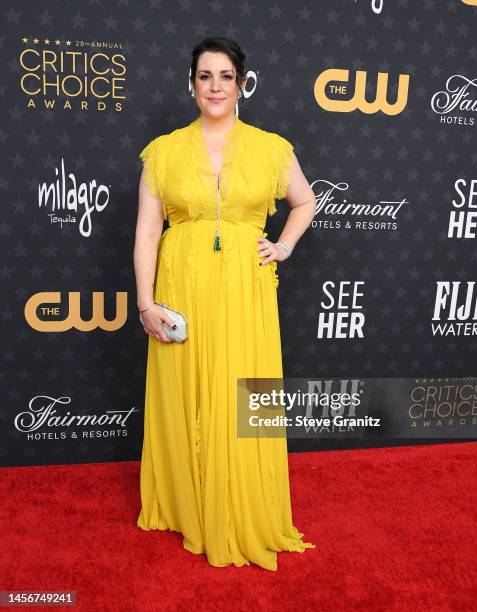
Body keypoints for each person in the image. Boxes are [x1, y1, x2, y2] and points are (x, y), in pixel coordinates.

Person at [133, 37, 316, 571]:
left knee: (243, 395)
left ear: (242, 83)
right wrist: (145, 303)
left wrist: (282, 245)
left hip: (246, 290)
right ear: (191, 84)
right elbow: (147, 231)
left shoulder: (271, 148)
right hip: (181, 290)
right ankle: (189, 506)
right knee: (185, 389)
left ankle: (241, 507)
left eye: (226, 76)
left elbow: (304, 202)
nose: (215, 86)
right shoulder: (162, 151)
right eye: (205, 76)